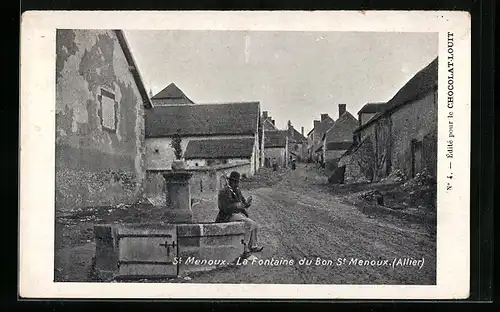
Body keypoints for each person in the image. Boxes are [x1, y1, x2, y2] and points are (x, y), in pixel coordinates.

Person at [215, 171, 264, 254]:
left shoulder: (237, 190)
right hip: (227, 216)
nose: (237, 184)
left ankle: (253, 246)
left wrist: (247, 204)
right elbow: (224, 208)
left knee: (255, 225)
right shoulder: (224, 191)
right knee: (249, 224)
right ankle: (244, 247)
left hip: (236, 214)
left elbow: (243, 203)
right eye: (235, 182)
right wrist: (238, 206)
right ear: (231, 181)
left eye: (237, 182)